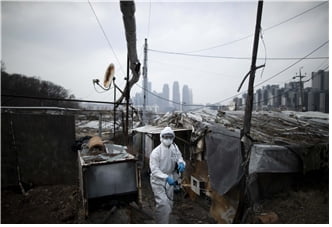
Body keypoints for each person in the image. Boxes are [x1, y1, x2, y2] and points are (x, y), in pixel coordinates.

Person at [149, 126, 186, 224]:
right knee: (163, 204)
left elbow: (179, 157)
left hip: (170, 177)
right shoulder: (156, 153)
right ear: (161, 138)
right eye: (166, 137)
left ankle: (161, 221)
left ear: (173, 138)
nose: (168, 139)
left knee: (169, 204)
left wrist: (181, 163)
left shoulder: (174, 147)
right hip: (158, 181)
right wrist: (166, 178)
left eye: (170, 137)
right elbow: (154, 170)